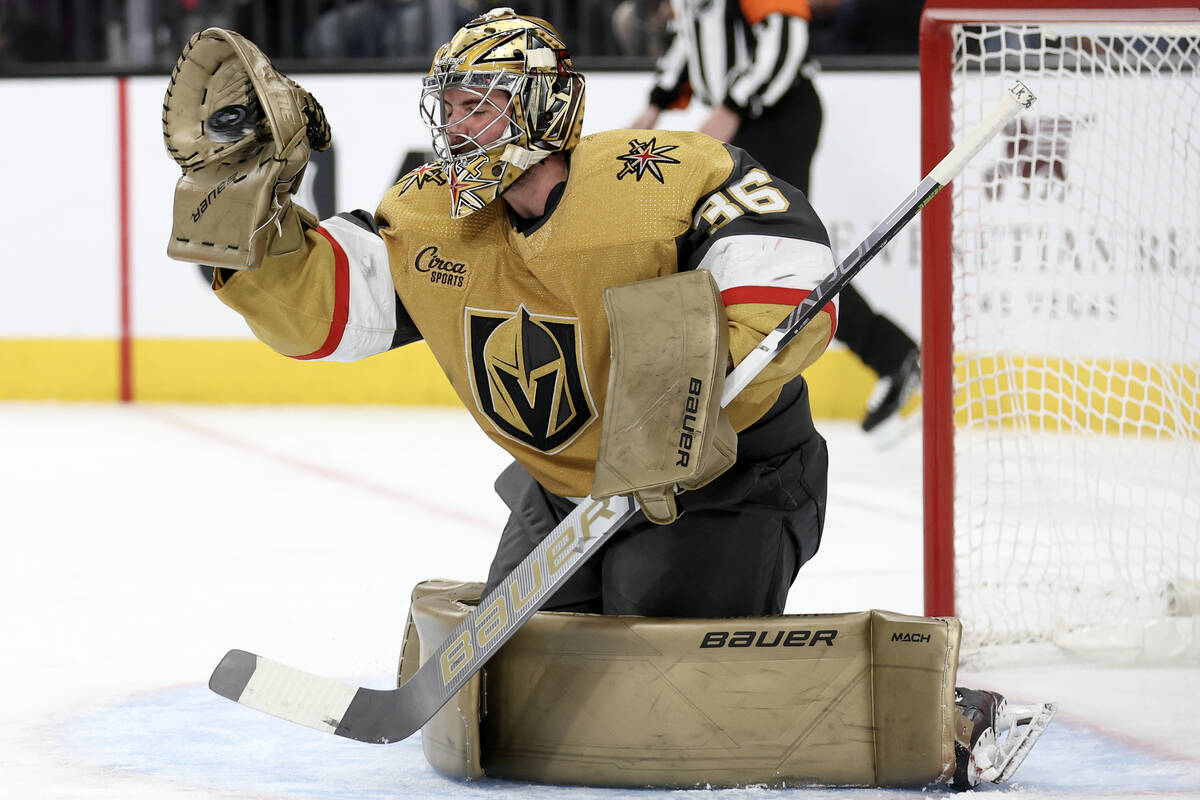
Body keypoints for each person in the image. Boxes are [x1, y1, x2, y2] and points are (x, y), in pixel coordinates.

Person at [162, 9, 1049, 789]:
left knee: (662, 679)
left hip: (726, 481)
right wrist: (248, 220)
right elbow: (328, 310)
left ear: (545, 106)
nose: (458, 125)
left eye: (483, 101)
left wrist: (688, 401)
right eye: (452, 104)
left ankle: (939, 716)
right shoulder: (428, 213)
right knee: (520, 688)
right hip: (568, 491)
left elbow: (785, 262)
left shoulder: (658, 173)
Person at [631, 0, 921, 435]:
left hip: (778, 114)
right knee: (745, 250)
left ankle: (891, 356)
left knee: (781, 256)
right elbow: (693, 39)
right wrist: (657, 102)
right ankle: (891, 355)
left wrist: (733, 105)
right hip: (751, 117)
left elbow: (787, 36)